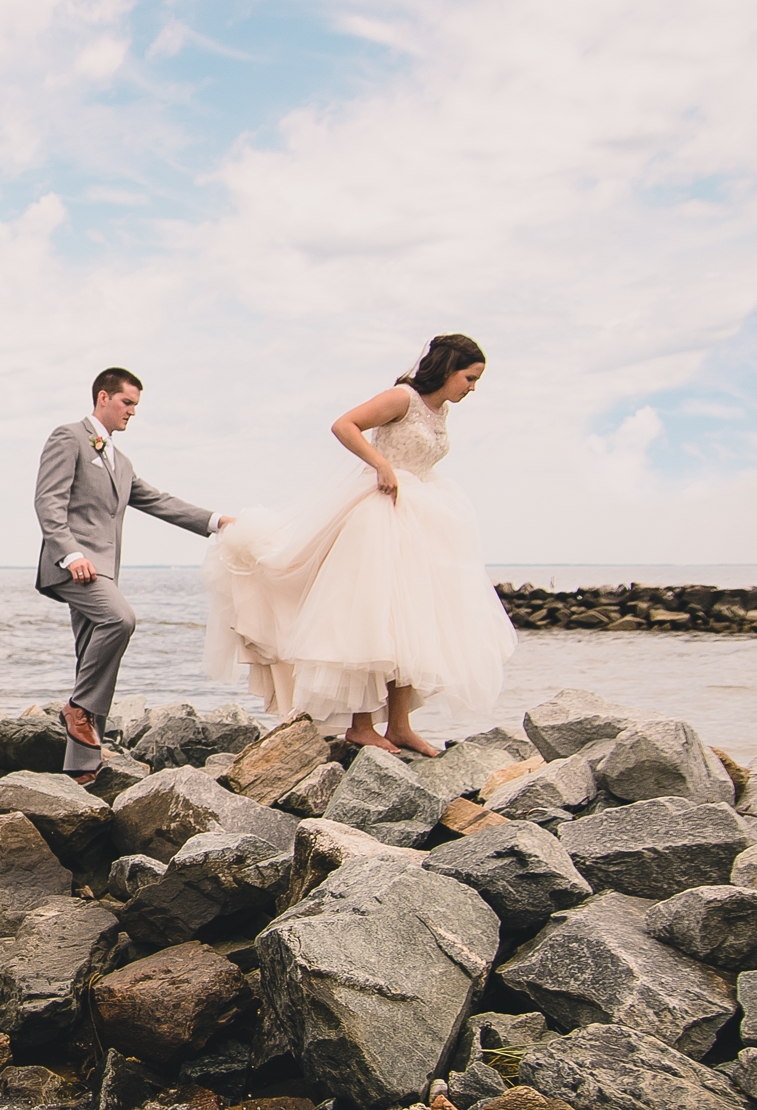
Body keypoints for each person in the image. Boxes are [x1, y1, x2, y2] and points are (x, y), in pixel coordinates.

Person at [202, 334, 517, 756]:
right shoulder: (402, 398)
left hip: (421, 515)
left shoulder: (440, 409)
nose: (472, 387)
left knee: (412, 618)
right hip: (380, 515)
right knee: (369, 615)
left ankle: (400, 725)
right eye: (470, 377)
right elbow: (344, 424)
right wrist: (382, 464)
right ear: (447, 369)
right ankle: (361, 725)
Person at [35, 368, 234, 784]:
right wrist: (70, 555)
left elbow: (159, 501)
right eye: (127, 403)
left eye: (136, 406)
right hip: (74, 564)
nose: (132, 412)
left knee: (94, 653)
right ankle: (77, 709)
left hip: (104, 570)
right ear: (103, 397)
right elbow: (48, 502)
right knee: (120, 620)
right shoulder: (67, 437)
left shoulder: (121, 462)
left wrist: (216, 521)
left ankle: (80, 768)